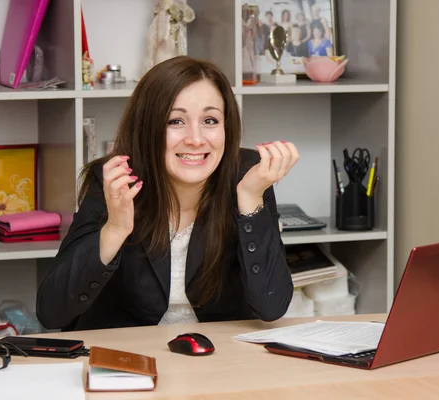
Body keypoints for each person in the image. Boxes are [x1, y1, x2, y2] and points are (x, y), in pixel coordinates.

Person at [36, 56, 300, 331]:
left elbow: (271, 308)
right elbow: (51, 313)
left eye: (210, 120)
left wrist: (251, 201)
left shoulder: (249, 178)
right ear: (147, 128)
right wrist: (114, 230)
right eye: (176, 121)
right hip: (129, 360)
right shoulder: (116, 180)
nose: (196, 139)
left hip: (218, 360)